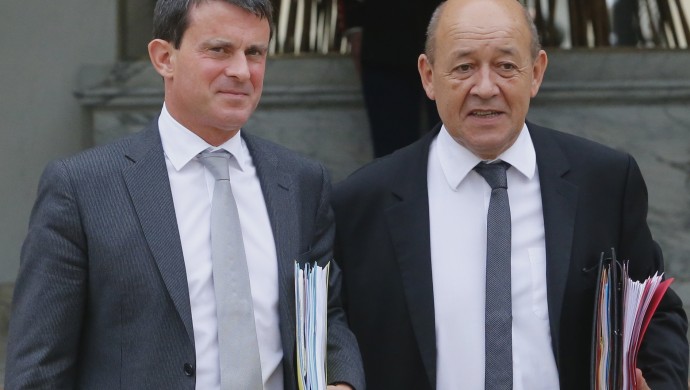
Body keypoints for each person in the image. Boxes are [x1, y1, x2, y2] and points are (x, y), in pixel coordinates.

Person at [4, 0, 364, 389]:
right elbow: (39, 368)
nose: (242, 71)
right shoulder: (83, 189)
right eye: (220, 50)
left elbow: (324, 315)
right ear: (164, 58)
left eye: (255, 53)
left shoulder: (301, 183)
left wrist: (341, 381)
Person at [331, 0, 689, 389]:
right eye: (464, 67)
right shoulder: (363, 203)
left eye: (505, 66)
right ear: (429, 75)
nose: (485, 88)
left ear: (535, 73)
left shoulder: (603, 182)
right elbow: (334, 333)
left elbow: (657, 315)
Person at [339, 0, 441, 157]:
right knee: (393, 152)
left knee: (458, 143)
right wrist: (354, 24)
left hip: (452, 30)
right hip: (385, 36)